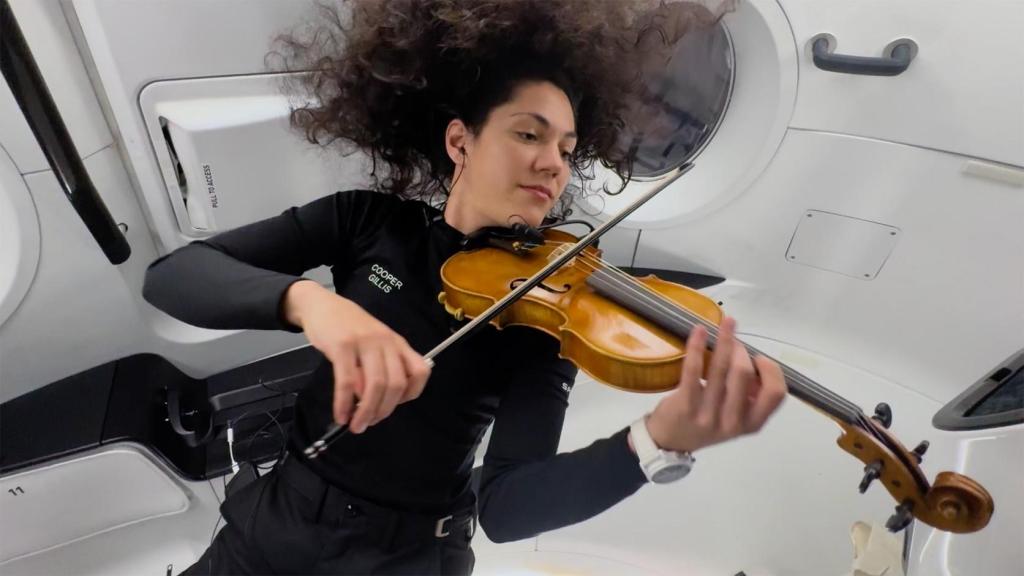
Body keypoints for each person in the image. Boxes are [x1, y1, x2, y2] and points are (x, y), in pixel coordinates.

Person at [143, 1, 784, 574]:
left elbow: (505, 507)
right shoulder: (368, 222)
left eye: (567, 149)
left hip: (408, 557)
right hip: (279, 520)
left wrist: (653, 441)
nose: (553, 163)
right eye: (529, 134)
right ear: (460, 141)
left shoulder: (542, 315)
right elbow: (172, 278)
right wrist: (311, 304)